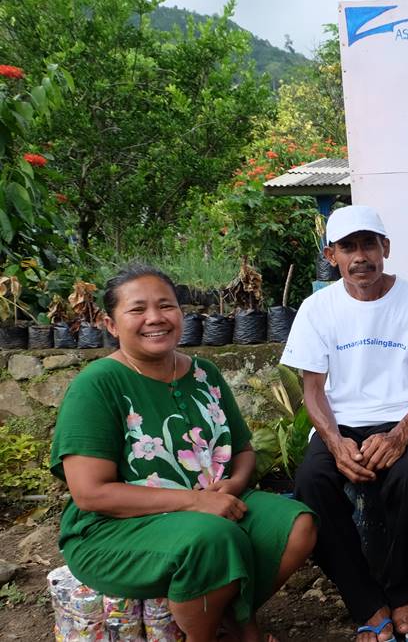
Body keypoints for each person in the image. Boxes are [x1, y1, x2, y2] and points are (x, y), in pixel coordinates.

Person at [50, 265, 316, 642]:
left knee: (296, 524)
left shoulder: (204, 373)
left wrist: (234, 485)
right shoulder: (97, 385)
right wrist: (193, 503)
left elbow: (242, 452)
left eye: (166, 306)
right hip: (113, 528)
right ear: (111, 325)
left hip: (212, 508)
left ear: (181, 313)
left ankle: (229, 617)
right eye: (137, 309)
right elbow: (91, 493)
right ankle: (220, 633)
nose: (155, 318)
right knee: (211, 538)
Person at [283, 205, 408, 642]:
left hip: (404, 419)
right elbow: (312, 388)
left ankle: (400, 590)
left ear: (385, 248)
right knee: (313, 481)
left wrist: (400, 435)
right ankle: (366, 602)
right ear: (331, 254)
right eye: (348, 247)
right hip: (341, 425)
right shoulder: (317, 308)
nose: (360, 256)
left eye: (369, 244)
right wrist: (335, 443)